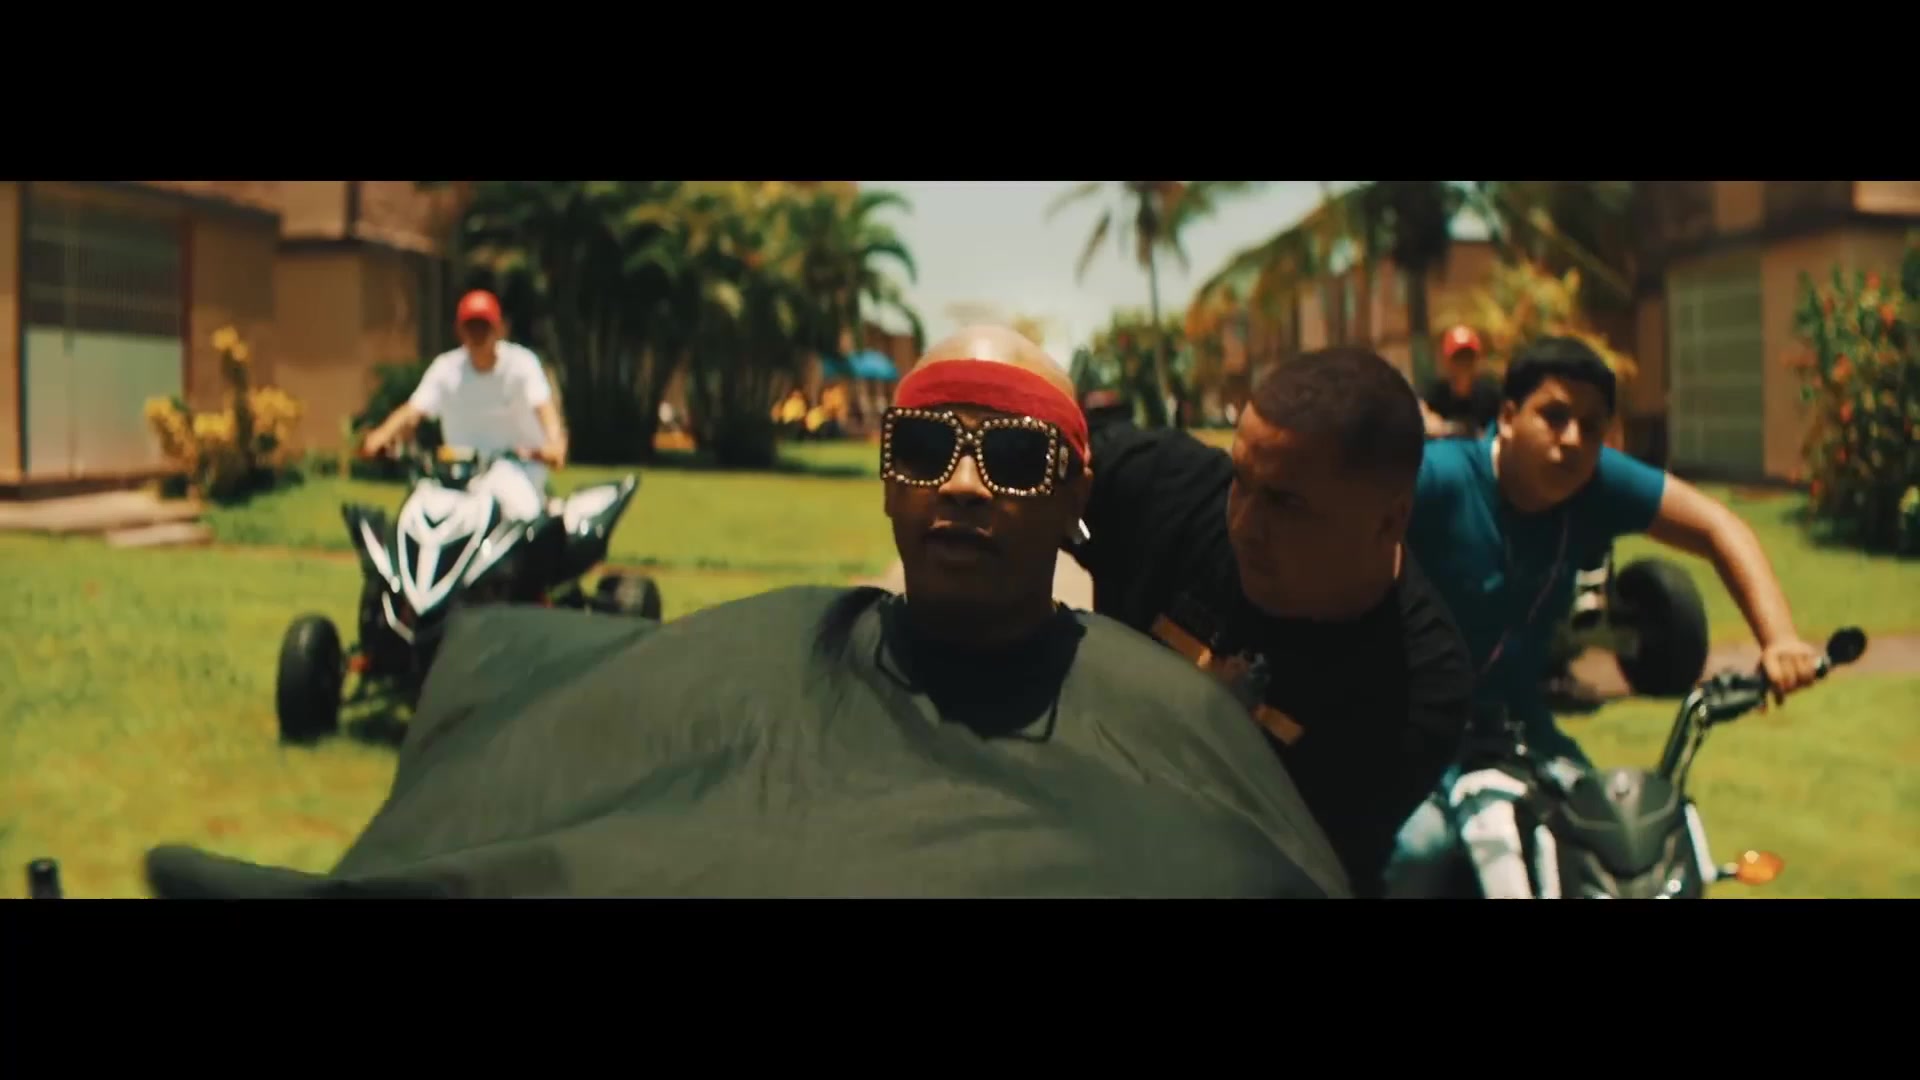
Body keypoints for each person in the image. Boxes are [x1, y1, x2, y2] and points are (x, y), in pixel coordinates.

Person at [143, 325, 1349, 899]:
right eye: (928, 448)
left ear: (1075, 493)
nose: (965, 485)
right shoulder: (773, 657)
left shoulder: (1178, 725)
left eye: (1016, 458)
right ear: (889, 480)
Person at [1385, 335, 1826, 895]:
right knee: (1418, 852)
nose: (1573, 439)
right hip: (1407, 732)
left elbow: (1720, 527)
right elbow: (1339, 525)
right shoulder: (1440, 478)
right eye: (1554, 416)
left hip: (1520, 732)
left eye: (1591, 427)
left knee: (1610, 838)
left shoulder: (1593, 483)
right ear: (1509, 416)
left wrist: (1780, 639)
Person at [1065, 346, 1475, 897]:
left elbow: (1277, 872)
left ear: (1389, 522)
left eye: (1286, 503)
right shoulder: (1165, 487)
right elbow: (1017, 452)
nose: (1243, 524)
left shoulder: (1415, 689)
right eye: (1241, 478)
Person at [359, 289, 568, 523]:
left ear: (499, 329)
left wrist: (555, 442)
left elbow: (544, 407)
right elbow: (413, 410)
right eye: (471, 327)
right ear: (460, 331)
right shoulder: (446, 368)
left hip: (518, 468)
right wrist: (381, 436)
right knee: (422, 512)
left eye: (484, 326)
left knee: (518, 512)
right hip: (458, 472)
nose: (478, 334)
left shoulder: (521, 364)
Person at [1420, 325, 1503, 438]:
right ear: (1447, 361)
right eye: (1458, 358)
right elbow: (1421, 412)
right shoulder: (1435, 394)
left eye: (1468, 357)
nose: (1464, 364)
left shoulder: (1490, 396)